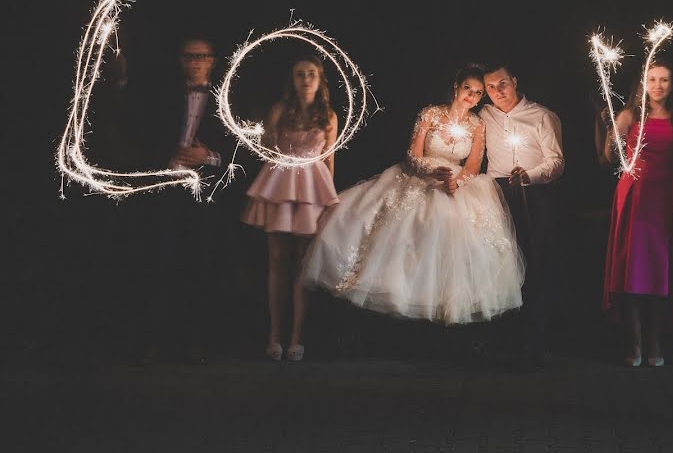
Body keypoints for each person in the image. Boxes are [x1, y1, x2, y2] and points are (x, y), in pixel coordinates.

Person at [302, 64, 524, 325]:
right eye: (467, 89)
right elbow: (412, 155)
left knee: (456, 232)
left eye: (477, 93)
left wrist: (456, 182)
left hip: (457, 185)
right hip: (421, 176)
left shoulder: (478, 125)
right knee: (397, 223)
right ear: (455, 87)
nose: (471, 96)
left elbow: (473, 166)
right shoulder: (430, 114)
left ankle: (446, 309)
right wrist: (432, 171)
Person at [131, 37, 234, 365]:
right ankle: (158, 341)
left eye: (201, 56)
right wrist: (166, 156)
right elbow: (142, 135)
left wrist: (209, 156)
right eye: (189, 56)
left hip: (203, 193)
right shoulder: (161, 99)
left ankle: (195, 343)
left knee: (200, 265)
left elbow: (242, 149)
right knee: (162, 264)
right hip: (165, 189)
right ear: (180, 61)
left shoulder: (226, 101)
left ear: (212, 61)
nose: (195, 61)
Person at [242, 52, 339, 362]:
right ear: (292, 80)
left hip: (312, 189)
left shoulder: (329, 116)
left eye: (311, 73)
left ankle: (296, 336)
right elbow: (265, 149)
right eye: (300, 73)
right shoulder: (280, 110)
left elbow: (329, 162)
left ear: (320, 79)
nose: (306, 78)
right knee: (276, 258)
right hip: (281, 184)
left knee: (302, 262)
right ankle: (273, 334)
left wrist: (328, 201)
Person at [599, 59, 673, 367]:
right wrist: (609, 129)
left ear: (672, 84)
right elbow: (607, 158)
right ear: (643, 83)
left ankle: (655, 343)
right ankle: (635, 344)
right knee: (632, 273)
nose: (657, 85)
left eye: (664, 79)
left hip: (664, 201)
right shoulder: (629, 117)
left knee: (658, 274)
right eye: (652, 79)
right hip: (634, 199)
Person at [480, 62, 564, 368]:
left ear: (514, 81)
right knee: (500, 265)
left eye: (502, 83)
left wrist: (528, 175)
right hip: (496, 194)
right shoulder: (484, 117)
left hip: (532, 193)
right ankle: (503, 338)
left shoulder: (542, 116)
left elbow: (557, 162)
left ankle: (534, 342)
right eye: (490, 87)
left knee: (535, 264)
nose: (498, 91)